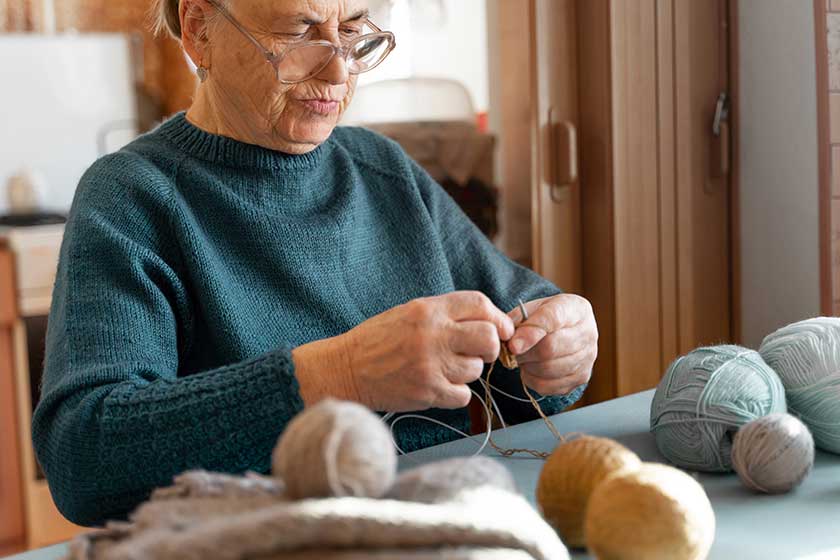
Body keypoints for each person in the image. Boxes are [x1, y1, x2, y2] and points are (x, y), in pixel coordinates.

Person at [32, 0, 598, 527]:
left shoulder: (382, 167)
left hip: (429, 530)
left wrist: (558, 347)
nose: (338, 73)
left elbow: (521, 338)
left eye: (351, 31)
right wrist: (342, 375)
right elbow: (85, 456)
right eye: (299, 32)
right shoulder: (132, 197)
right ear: (201, 30)